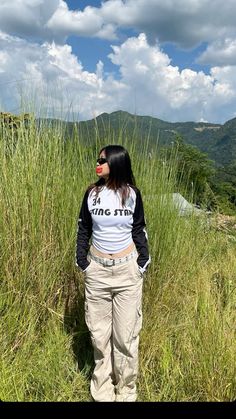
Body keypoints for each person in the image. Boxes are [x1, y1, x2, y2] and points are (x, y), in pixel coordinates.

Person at [76, 145, 150, 402]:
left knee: (126, 336)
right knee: (99, 335)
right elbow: (83, 228)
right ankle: (103, 389)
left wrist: (143, 261)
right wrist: (82, 262)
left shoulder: (132, 194)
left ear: (117, 163)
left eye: (103, 160)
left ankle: (126, 390)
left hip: (127, 272)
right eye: (97, 159)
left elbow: (139, 228)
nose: (97, 163)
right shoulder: (92, 193)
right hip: (97, 271)